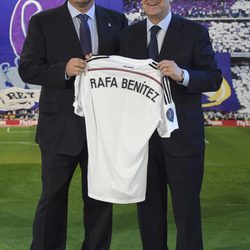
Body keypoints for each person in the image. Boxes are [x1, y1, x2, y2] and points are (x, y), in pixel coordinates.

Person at [18, 0, 127, 249]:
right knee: (53, 200)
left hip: (103, 129)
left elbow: (126, 67)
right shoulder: (43, 21)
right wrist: (63, 70)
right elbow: (27, 69)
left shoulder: (117, 20)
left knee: (100, 201)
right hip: (59, 128)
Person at [120, 0, 222, 249]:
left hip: (183, 137)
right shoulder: (127, 36)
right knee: (148, 211)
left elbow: (214, 78)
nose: (151, 0)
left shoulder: (195, 32)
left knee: (187, 212)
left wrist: (182, 74)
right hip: (142, 140)